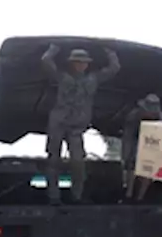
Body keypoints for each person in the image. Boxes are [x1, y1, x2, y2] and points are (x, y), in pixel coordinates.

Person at [41, 43, 121, 205]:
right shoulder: (62, 76)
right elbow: (46, 61)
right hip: (58, 123)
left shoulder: (93, 78)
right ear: (71, 63)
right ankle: (53, 197)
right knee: (53, 161)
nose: (81, 65)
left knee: (78, 163)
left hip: (76, 127)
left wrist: (110, 52)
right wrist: (54, 49)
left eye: (83, 62)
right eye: (77, 62)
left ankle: (76, 196)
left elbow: (114, 68)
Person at [122, 93, 162, 200]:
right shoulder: (133, 117)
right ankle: (128, 194)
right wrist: (126, 154)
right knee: (131, 167)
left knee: (148, 170)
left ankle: (140, 197)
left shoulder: (161, 119)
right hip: (136, 141)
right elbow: (128, 136)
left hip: (152, 144)